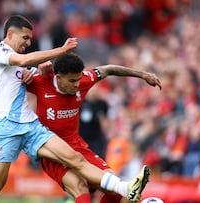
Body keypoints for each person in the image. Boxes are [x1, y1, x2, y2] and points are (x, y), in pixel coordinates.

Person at [0, 15, 149, 203]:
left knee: (76, 159)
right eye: (25, 38)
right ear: (10, 34)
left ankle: (126, 187)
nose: (29, 42)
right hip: (6, 127)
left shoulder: (22, 66)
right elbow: (23, 61)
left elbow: (34, 72)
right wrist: (61, 50)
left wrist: (44, 70)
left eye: (30, 38)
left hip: (31, 126)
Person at [26, 53, 162, 203]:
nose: (77, 84)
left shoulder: (85, 79)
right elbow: (9, 74)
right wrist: (32, 68)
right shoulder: (41, 82)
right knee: (80, 186)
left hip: (77, 146)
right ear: (58, 77)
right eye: (72, 81)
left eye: (78, 79)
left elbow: (109, 69)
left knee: (111, 183)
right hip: (51, 150)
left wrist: (143, 75)